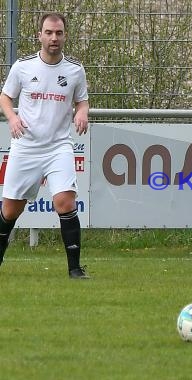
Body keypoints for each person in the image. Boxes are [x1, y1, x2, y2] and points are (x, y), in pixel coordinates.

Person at [0, 12, 90, 279]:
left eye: (59, 33)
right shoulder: (23, 66)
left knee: (65, 201)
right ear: (39, 35)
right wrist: (13, 117)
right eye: (49, 33)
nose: (54, 38)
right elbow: (5, 97)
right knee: (10, 209)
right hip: (25, 147)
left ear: (65, 36)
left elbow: (82, 100)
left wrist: (82, 111)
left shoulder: (75, 70)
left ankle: (75, 268)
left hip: (58, 147)